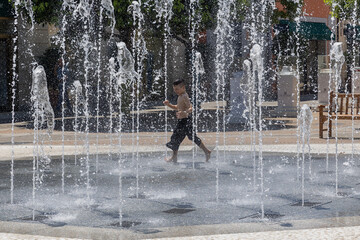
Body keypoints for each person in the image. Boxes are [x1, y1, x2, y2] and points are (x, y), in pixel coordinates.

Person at [163, 79, 211, 163]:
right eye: (174, 89)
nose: (175, 91)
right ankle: (206, 151)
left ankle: (207, 151)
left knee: (178, 138)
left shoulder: (184, 96)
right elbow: (177, 107)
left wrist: (184, 112)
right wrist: (168, 105)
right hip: (182, 121)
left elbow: (190, 108)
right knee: (179, 138)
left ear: (183, 87)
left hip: (186, 121)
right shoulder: (180, 96)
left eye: (177, 89)